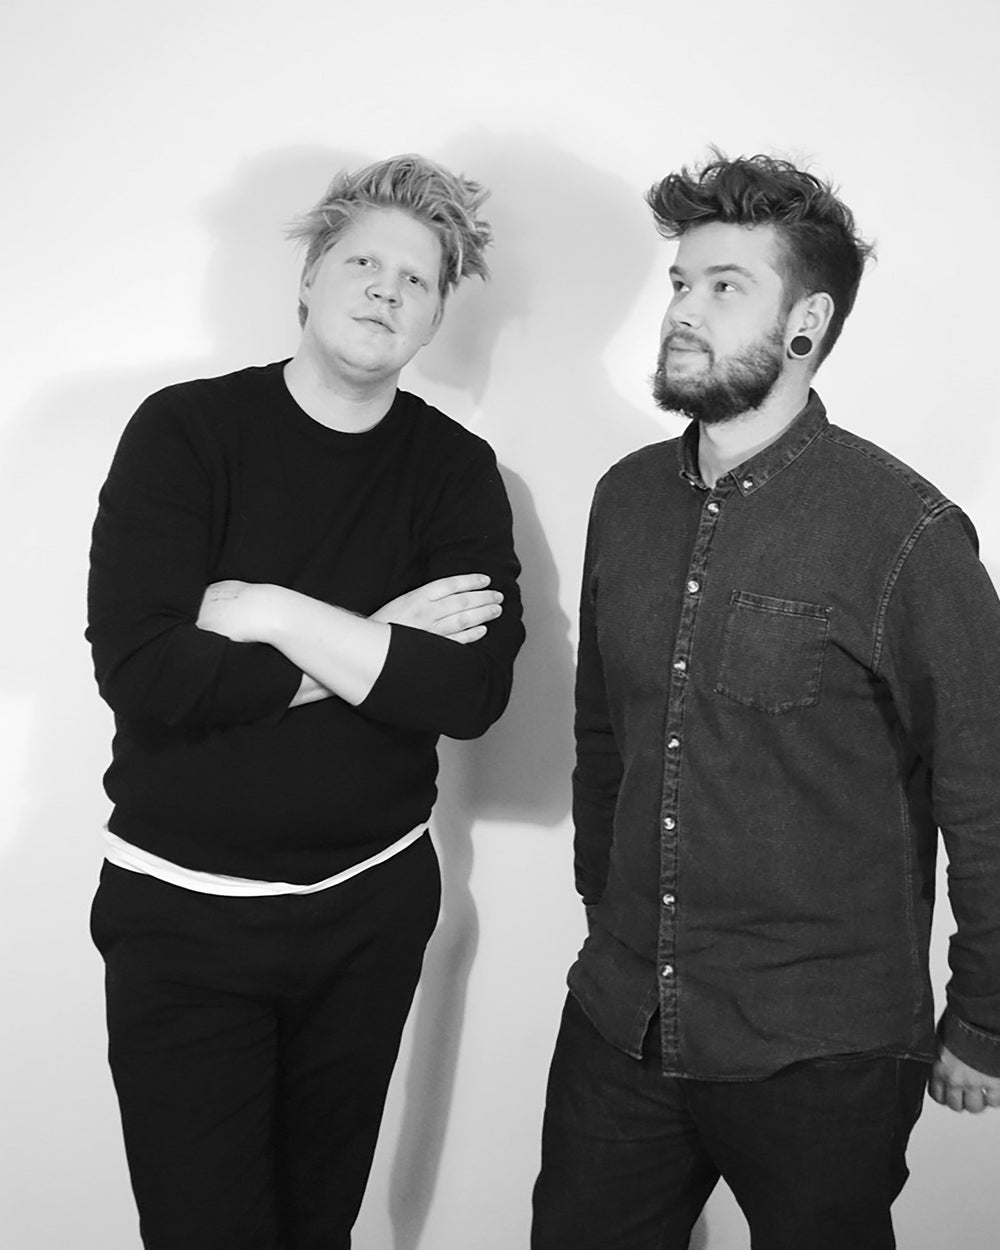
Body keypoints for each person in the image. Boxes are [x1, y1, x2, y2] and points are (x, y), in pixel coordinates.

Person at [531, 151, 1000, 1250]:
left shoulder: (906, 532)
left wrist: (983, 1015)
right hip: (622, 1022)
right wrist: (606, 915)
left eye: (724, 286)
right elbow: (603, 734)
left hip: (822, 1049)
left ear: (806, 323)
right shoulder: (624, 500)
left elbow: (986, 787)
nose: (682, 311)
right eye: (680, 283)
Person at [87, 154, 523, 1250]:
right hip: (183, 918)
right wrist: (378, 641)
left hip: (367, 911)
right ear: (310, 280)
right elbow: (147, 673)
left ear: (436, 316)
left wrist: (273, 612)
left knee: (316, 1228)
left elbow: (470, 691)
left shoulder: (454, 470)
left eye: (416, 279)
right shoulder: (185, 433)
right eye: (364, 262)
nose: (386, 290)